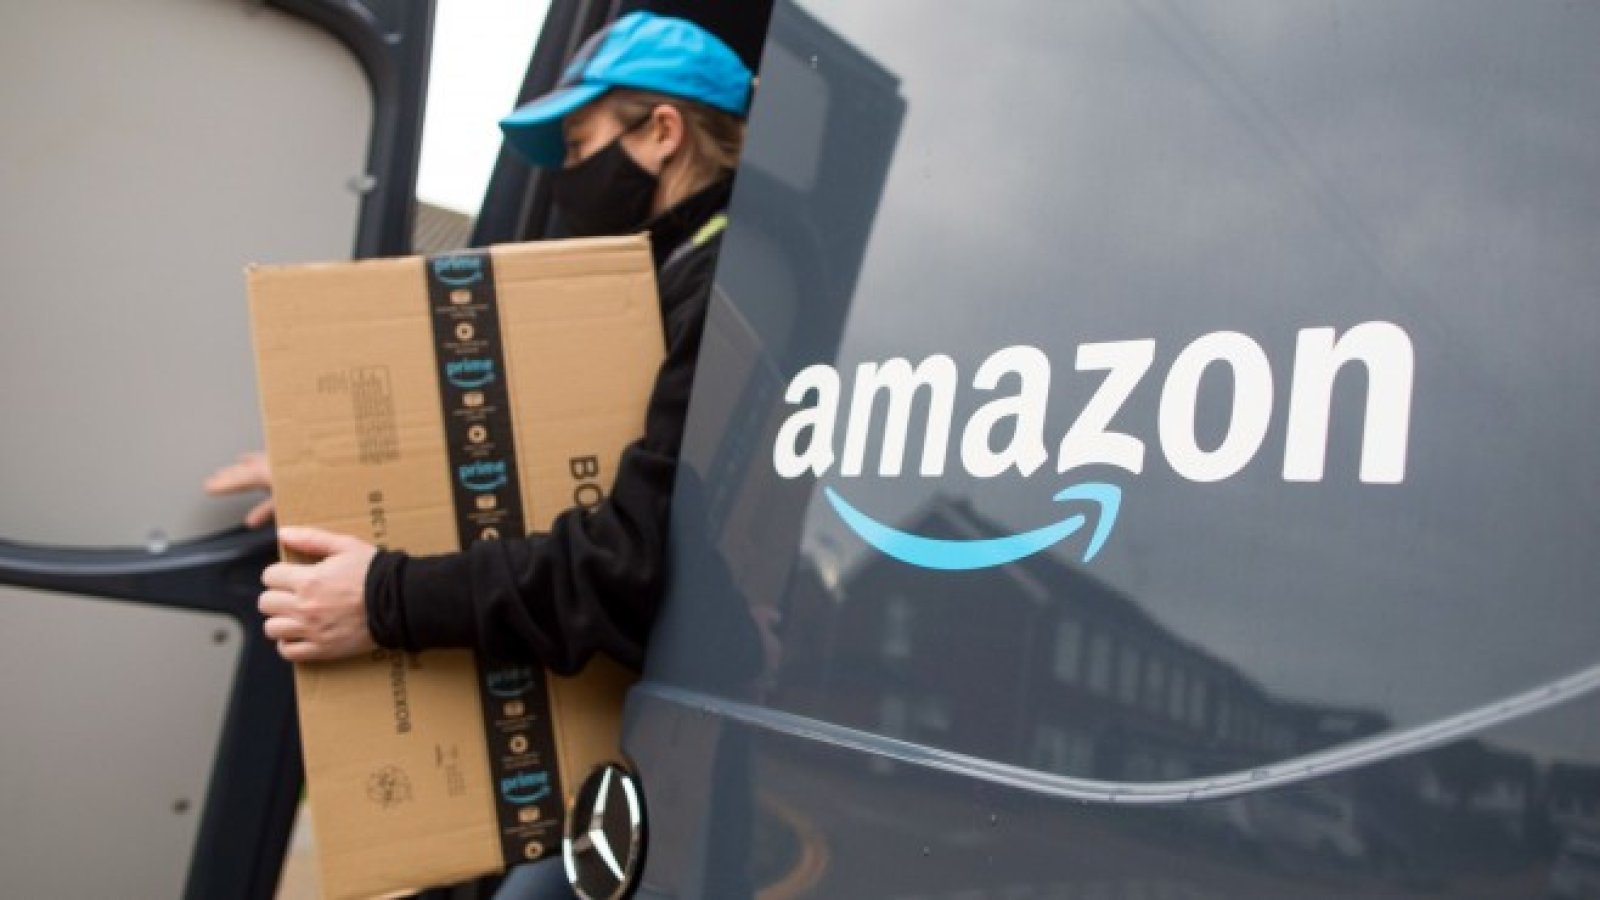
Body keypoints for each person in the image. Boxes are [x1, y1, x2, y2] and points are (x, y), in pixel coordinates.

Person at [207, 10, 750, 675]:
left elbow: (628, 566)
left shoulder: (716, 290)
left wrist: (384, 601)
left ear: (664, 131)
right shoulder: (660, 280)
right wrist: (336, 480)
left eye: (579, 146)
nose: (567, 175)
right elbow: (530, 467)